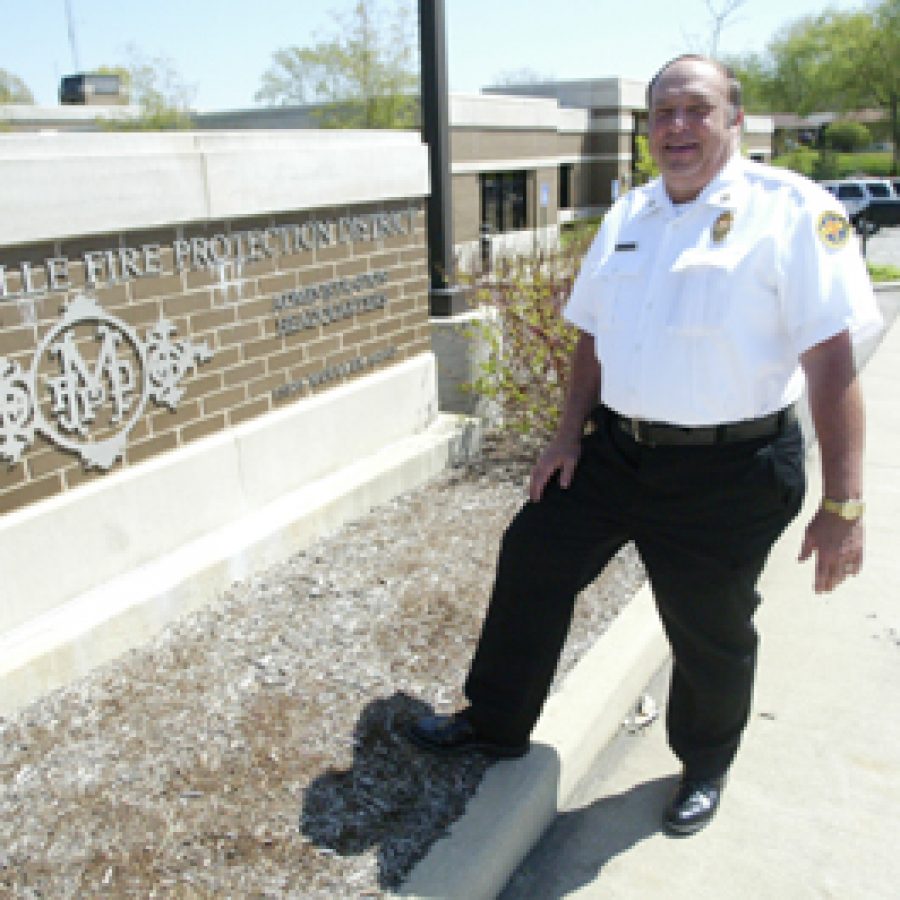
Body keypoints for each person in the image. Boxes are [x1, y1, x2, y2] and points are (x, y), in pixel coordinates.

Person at [408, 54, 883, 836]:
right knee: (534, 555)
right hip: (617, 454)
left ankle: (704, 763)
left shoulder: (793, 213)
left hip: (732, 469)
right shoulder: (631, 215)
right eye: (662, 113)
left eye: (696, 110)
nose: (676, 127)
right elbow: (592, 335)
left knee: (708, 627)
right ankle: (494, 721)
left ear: (734, 119)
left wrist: (844, 502)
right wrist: (566, 438)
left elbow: (832, 366)